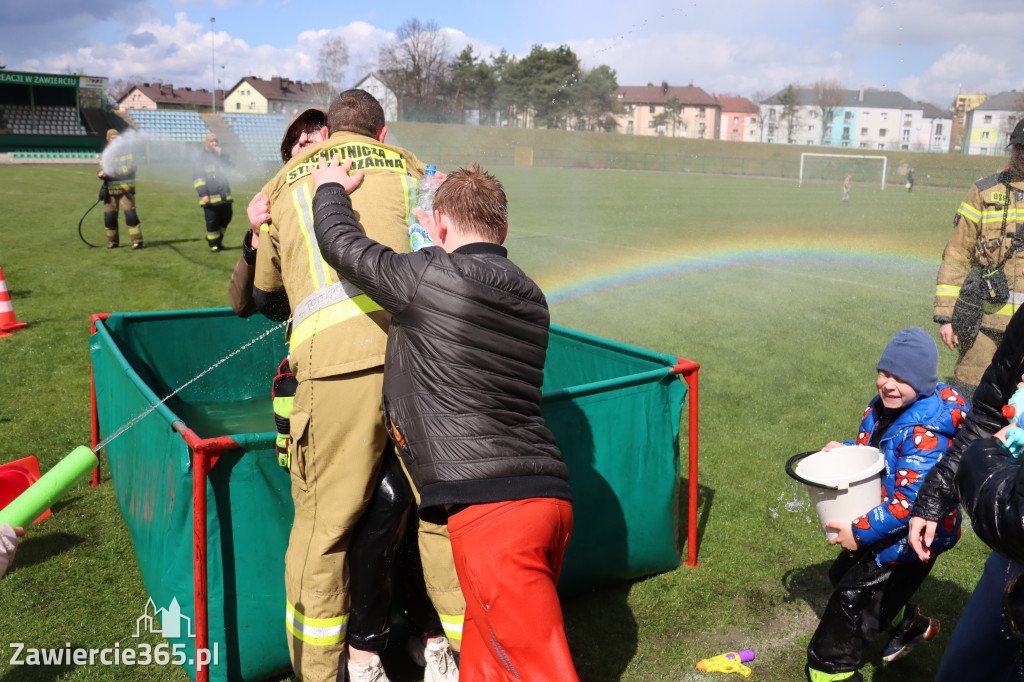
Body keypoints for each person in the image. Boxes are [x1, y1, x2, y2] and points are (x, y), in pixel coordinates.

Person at [313, 159, 580, 682]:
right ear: (503, 230)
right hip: (548, 503)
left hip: (495, 515)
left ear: (437, 226)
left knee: (534, 671)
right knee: (486, 660)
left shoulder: (428, 274)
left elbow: (343, 246)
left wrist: (328, 190)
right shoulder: (531, 294)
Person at [232, 106, 459, 682]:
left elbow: (263, 297)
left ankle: (330, 669)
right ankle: (458, 653)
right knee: (438, 516)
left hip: (335, 373)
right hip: (423, 363)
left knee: (324, 532)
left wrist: (259, 234)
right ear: (379, 133)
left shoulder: (283, 183)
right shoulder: (413, 169)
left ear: (329, 136)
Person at [805, 327, 968, 682]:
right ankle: (908, 624)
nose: (888, 384)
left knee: (844, 619)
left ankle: (831, 670)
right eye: (884, 373)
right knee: (841, 575)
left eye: (901, 378)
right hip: (887, 529)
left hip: (910, 539)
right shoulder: (887, 409)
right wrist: (849, 450)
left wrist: (858, 533)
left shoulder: (927, 434)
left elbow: (910, 505)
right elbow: (882, 456)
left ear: (923, 382)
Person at [910, 301, 1024, 681]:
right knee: (963, 670)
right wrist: (937, 492)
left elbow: (1016, 523)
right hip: (1010, 563)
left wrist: (982, 459)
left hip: (1013, 529)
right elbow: (990, 410)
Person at [934, 120, 1024, 398]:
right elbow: (957, 254)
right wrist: (946, 315)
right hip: (985, 325)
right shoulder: (984, 191)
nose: (1023, 154)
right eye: (1019, 148)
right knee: (969, 397)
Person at [97, 128, 144, 249]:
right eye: (112, 138)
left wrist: (114, 171)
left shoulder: (127, 151)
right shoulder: (106, 153)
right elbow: (101, 167)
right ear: (108, 139)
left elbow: (131, 168)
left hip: (125, 191)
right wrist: (101, 173)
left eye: (117, 137)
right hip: (110, 191)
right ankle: (112, 242)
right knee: (109, 217)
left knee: (130, 215)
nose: (115, 139)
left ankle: (137, 241)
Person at [193, 132, 234, 252]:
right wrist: (203, 194)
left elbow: (231, 168)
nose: (214, 143)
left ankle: (218, 240)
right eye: (212, 141)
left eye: (216, 141)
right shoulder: (201, 158)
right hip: (210, 195)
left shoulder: (221, 155)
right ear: (207, 143)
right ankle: (213, 244)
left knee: (226, 217)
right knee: (212, 221)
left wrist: (221, 156)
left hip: (225, 195)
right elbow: (198, 177)